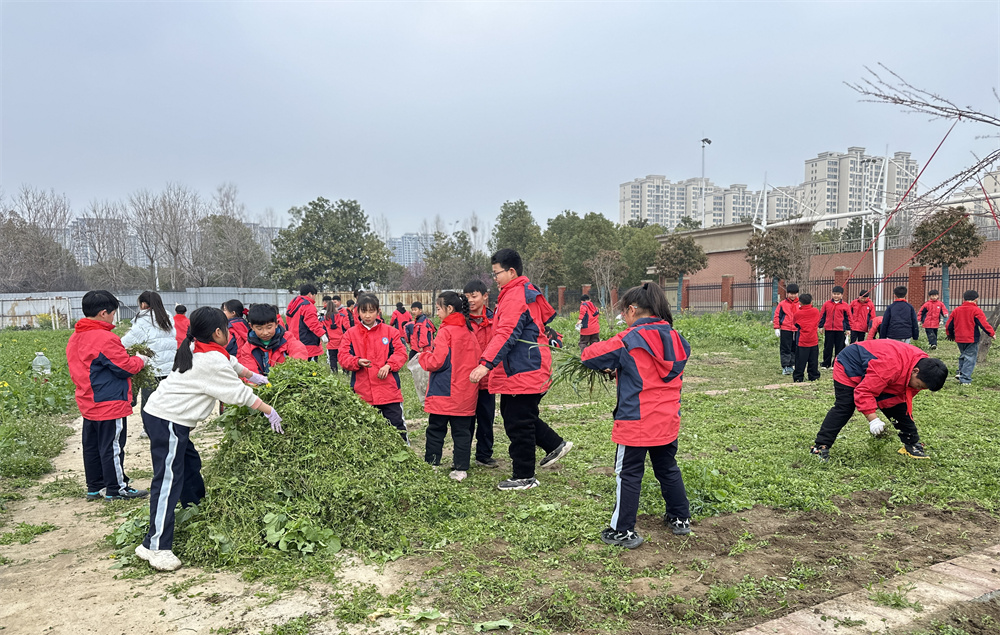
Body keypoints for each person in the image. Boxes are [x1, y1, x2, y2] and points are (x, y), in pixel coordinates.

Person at [138, 307, 282, 571]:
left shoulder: (200, 346)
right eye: (226, 328)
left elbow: (231, 363)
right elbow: (240, 396)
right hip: (167, 420)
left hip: (168, 417)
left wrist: (254, 376)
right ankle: (155, 546)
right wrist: (270, 411)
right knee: (168, 480)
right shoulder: (208, 360)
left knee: (189, 466)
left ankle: (196, 511)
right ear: (218, 332)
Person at [581, 282, 692, 548]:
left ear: (632, 310)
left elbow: (588, 356)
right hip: (667, 419)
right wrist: (620, 368)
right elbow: (651, 370)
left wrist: (615, 363)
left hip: (637, 421)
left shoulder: (629, 339)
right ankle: (680, 518)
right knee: (667, 468)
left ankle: (622, 530)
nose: (624, 319)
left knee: (628, 473)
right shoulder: (676, 337)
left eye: (624, 313)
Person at [469, 249, 572, 491]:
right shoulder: (515, 293)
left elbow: (507, 333)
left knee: (518, 421)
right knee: (518, 415)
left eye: (497, 273)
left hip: (523, 369)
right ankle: (555, 444)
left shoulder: (516, 296)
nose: (494, 278)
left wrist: (485, 364)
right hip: (524, 367)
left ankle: (524, 475)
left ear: (511, 271)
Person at [66, 290, 150, 502]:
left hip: (88, 400)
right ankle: (116, 489)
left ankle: (95, 487)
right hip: (108, 402)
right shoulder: (104, 338)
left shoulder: (75, 337)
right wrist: (141, 360)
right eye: (113, 313)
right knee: (112, 446)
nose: (114, 317)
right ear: (104, 313)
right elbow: (125, 368)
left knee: (92, 446)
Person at [810, 339, 947, 462]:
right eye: (919, 386)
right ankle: (820, 446)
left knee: (897, 405)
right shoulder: (890, 366)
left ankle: (911, 443)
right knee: (845, 406)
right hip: (851, 364)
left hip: (885, 372)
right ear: (915, 371)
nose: (918, 389)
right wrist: (873, 419)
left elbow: (901, 400)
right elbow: (864, 391)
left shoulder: (925, 367)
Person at [417, 291, 483, 481]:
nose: (436, 313)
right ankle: (461, 468)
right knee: (462, 432)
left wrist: (424, 357)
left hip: (443, 391)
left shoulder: (446, 331)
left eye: (438, 309)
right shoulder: (470, 331)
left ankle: (433, 464)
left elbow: (437, 362)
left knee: (436, 429)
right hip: (465, 393)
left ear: (450, 309)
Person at [339, 294, 409, 442]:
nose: (368, 315)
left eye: (371, 311)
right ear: (358, 313)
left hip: (389, 392)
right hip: (363, 393)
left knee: (396, 427)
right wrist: (356, 362)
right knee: (366, 432)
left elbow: (401, 353)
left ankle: (404, 458)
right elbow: (343, 357)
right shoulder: (350, 334)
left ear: (378, 311)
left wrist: (389, 365)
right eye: (364, 311)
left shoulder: (390, 332)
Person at [121, 291, 177, 413]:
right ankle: (167, 427)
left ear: (144, 304)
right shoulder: (167, 317)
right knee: (166, 401)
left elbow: (127, 341)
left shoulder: (143, 319)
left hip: (152, 369)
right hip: (169, 368)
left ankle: (148, 429)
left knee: (150, 402)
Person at [464, 279, 497, 469]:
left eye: (474, 296)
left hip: (487, 380)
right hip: (466, 380)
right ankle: (462, 454)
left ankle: (484, 454)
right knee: (465, 419)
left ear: (485, 296)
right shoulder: (461, 321)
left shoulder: (495, 320)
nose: (470, 300)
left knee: (486, 418)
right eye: (467, 297)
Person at [239, 304, 308, 375]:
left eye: (269, 327)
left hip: (286, 380)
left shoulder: (287, 339)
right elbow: (251, 374)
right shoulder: (247, 349)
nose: (265, 332)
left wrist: (291, 373)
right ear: (251, 327)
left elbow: (299, 351)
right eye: (259, 328)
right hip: (262, 383)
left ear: (276, 324)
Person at [946, 289, 996, 385]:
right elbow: (983, 323)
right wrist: (991, 333)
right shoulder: (976, 310)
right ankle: (965, 378)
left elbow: (949, 325)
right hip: (971, 338)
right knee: (970, 357)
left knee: (964, 354)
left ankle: (961, 372)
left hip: (959, 338)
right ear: (976, 299)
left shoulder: (956, 310)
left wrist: (950, 334)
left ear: (963, 299)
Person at [286, 284, 327, 362]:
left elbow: (288, 322)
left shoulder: (293, 305)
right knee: (311, 370)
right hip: (308, 343)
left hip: (294, 342)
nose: (315, 298)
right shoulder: (308, 306)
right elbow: (313, 324)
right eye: (314, 295)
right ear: (310, 294)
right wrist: (322, 334)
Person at [793, 293, 821, 382]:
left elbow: (795, 324)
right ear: (811, 301)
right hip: (813, 339)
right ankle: (813, 376)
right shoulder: (816, 311)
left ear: (800, 302)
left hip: (802, 340)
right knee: (813, 360)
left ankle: (798, 377)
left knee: (800, 361)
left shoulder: (798, 313)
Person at [819, 286, 850, 368]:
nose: (836, 296)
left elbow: (848, 318)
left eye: (838, 294)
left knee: (839, 347)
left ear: (842, 295)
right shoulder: (827, 304)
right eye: (834, 294)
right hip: (829, 328)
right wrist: (821, 326)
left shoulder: (845, 305)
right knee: (828, 347)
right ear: (832, 294)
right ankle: (826, 363)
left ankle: (836, 364)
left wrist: (848, 329)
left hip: (840, 329)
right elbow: (822, 315)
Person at [773, 283, 800, 375]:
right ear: (787, 294)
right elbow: (777, 316)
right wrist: (777, 327)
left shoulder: (801, 304)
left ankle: (793, 364)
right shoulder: (782, 304)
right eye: (791, 293)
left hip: (797, 329)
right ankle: (785, 366)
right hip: (786, 329)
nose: (793, 295)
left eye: (795, 293)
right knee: (785, 348)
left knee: (795, 347)